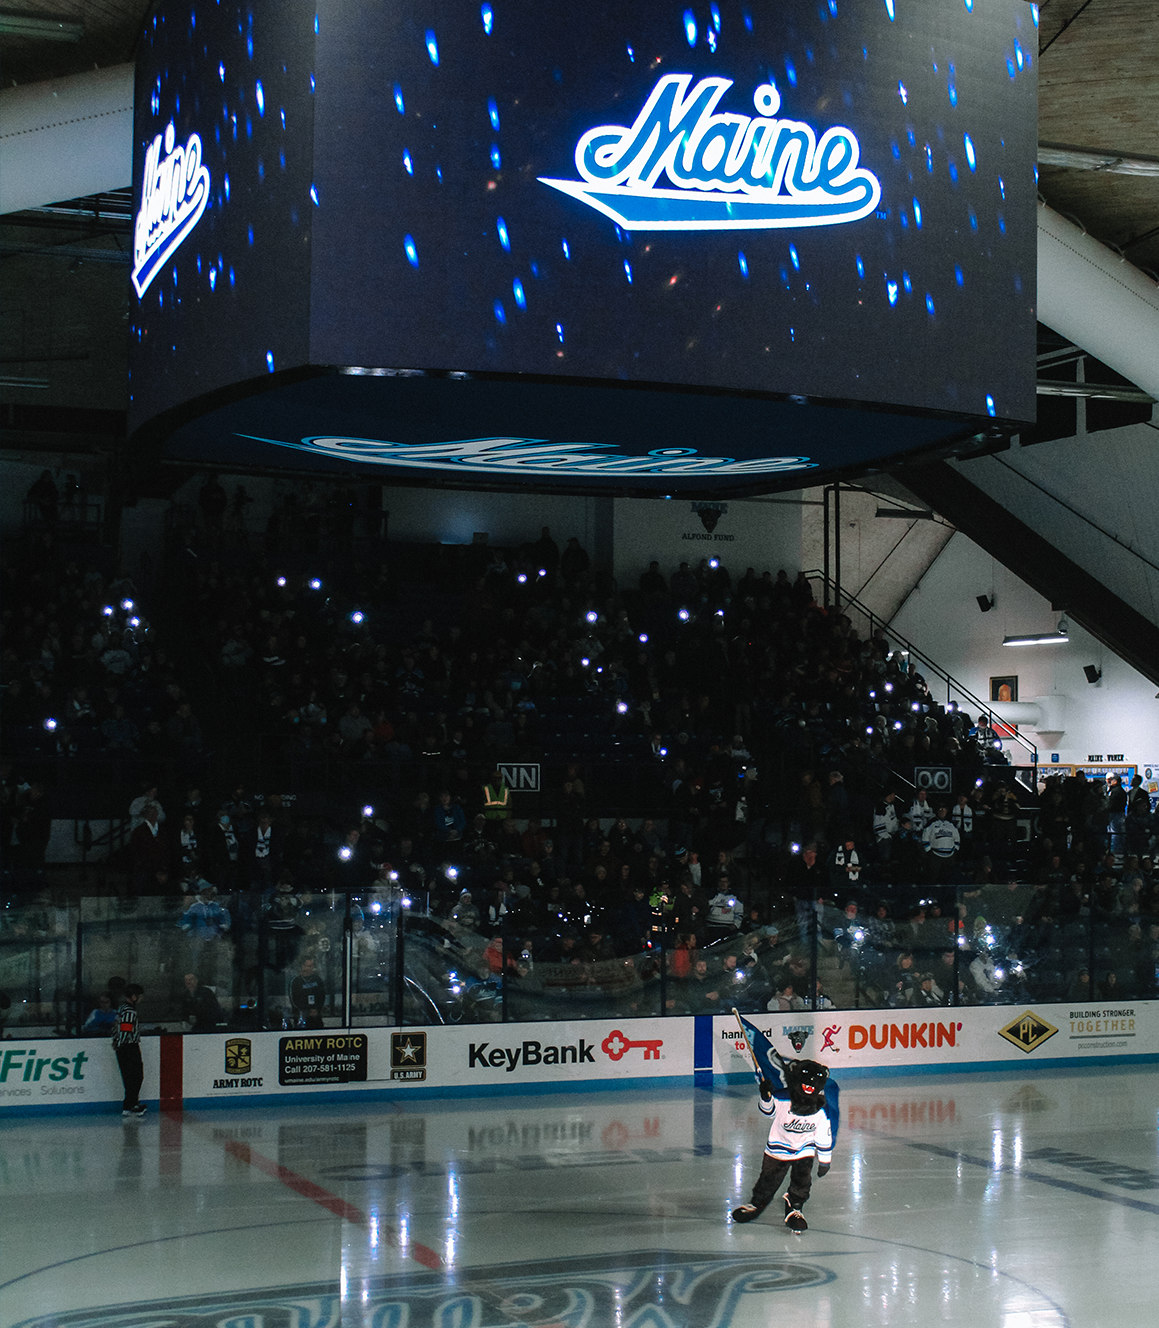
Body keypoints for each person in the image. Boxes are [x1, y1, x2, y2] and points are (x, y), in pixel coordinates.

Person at [730, 1015, 838, 1232]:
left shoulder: (820, 1108)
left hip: (805, 1151)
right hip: (777, 1149)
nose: (809, 1087)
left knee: (802, 1181)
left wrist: (824, 1160)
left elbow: (823, 1136)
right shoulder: (783, 1098)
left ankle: (795, 1205)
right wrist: (766, 1096)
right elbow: (767, 1112)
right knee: (768, 1180)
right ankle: (757, 1202)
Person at [112, 983, 146, 1116]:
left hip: (123, 1046)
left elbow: (116, 1026)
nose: (141, 998)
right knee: (135, 1076)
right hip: (128, 1046)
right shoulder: (129, 1011)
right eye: (139, 996)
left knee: (130, 1076)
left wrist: (117, 1041)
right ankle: (131, 1104)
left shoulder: (122, 1008)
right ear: (133, 996)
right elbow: (125, 1030)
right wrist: (123, 1043)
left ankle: (130, 1104)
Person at [290, 956, 326, 1028]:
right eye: (308, 966)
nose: (311, 968)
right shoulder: (296, 981)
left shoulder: (317, 979)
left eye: (312, 966)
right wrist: (307, 1010)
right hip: (302, 1016)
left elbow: (322, 995)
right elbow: (294, 999)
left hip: (316, 1016)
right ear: (302, 967)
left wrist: (316, 1009)